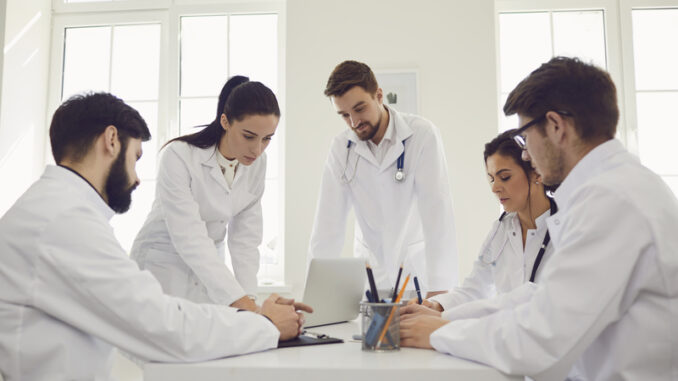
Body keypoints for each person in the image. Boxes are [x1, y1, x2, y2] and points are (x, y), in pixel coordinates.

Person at [399, 57, 678, 380]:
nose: (527, 154)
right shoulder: (619, 187)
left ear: (557, 126)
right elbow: (536, 297)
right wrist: (445, 318)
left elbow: (538, 343)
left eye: (526, 137)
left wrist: (438, 334)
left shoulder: (612, 201)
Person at [0, 93, 309, 381]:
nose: (136, 178)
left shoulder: (54, 209)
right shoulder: (64, 221)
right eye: (135, 158)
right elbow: (163, 326)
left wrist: (251, 308)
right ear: (110, 140)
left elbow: (242, 242)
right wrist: (262, 323)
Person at [309, 60, 458, 297]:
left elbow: (437, 214)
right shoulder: (341, 148)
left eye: (360, 109)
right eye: (344, 115)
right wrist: (318, 294)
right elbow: (328, 226)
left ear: (379, 95)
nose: (354, 122)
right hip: (371, 279)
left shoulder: (421, 135)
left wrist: (440, 290)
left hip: (417, 276)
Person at [131, 76, 278, 312]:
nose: (257, 149)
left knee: (208, 340)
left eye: (267, 139)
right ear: (225, 121)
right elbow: (189, 236)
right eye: (249, 136)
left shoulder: (257, 165)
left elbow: (245, 240)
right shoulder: (179, 156)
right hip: (163, 262)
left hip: (210, 268)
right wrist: (246, 307)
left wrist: (249, 299)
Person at [408, 129, 557, 313]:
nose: (495, 188)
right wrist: (435, 305)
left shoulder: (566, 226)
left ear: (536, 172)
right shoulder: (500, 230)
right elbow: (475, 289)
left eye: (505, 177)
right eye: (492, 179)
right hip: (503, 334)